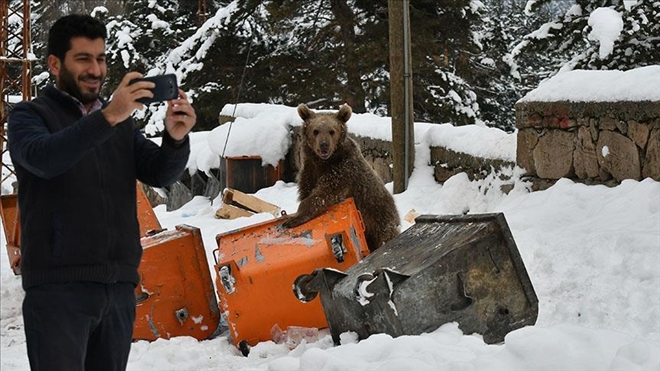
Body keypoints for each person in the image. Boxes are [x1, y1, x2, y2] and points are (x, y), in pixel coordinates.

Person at [7, 14, 196, 371]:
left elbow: (160, 173)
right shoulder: (29, 117)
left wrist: (175, 137)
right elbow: (45, 159)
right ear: (54, 63)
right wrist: (109, 116)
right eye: (83, 59)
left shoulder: (118, 122)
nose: (95, 70)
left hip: (117, 290)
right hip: (58, 292)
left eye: (101, 59)